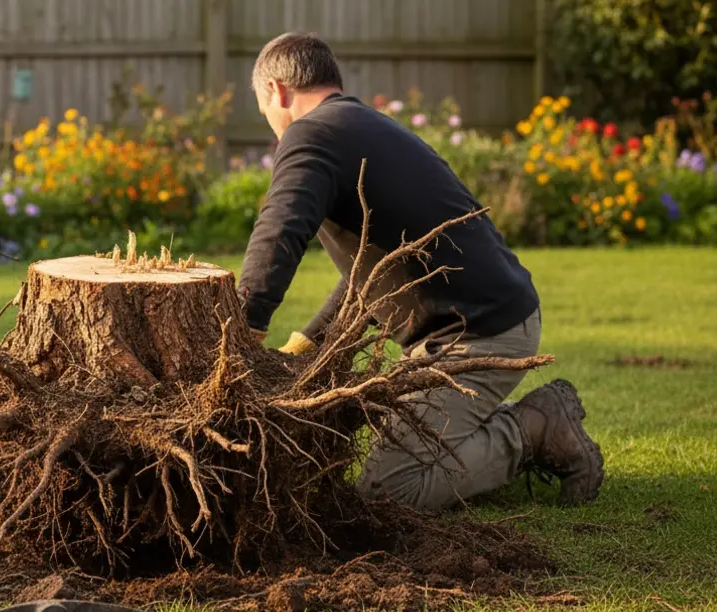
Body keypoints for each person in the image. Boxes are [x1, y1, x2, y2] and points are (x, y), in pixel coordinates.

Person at [238, 32, 604, 511]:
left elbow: (280, 231)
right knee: (399, 460)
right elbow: (370, 273)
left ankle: (534, 428)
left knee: (387, 492)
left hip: (477, 334)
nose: (270, 124)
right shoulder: (360, 126)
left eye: (263, 108)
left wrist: (243, 327)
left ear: (275, 91)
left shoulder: (311, 134)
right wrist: (307, 344)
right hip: (483, 319)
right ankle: (495, 428)